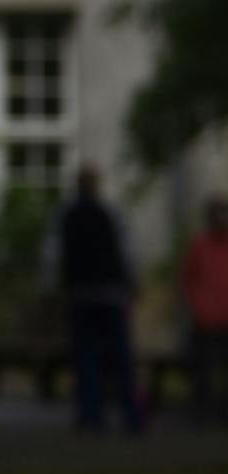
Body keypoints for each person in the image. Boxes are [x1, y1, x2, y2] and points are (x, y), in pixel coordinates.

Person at [54, 164, 145, 433]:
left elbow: (52, 254)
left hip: (84, 292)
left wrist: (49, 289)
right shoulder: (109, 213)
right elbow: (128, 250)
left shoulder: (67, 215)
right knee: (118, 357)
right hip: (109, 293)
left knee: (88, 357)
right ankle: (129, 416)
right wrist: (133, 283)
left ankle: (93, 415)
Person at [180, 195, 228, 426]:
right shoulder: (199, 245)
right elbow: (187, 279)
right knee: (205, 370)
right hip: (206, 318)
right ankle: (203, 414)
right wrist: (197, 305)